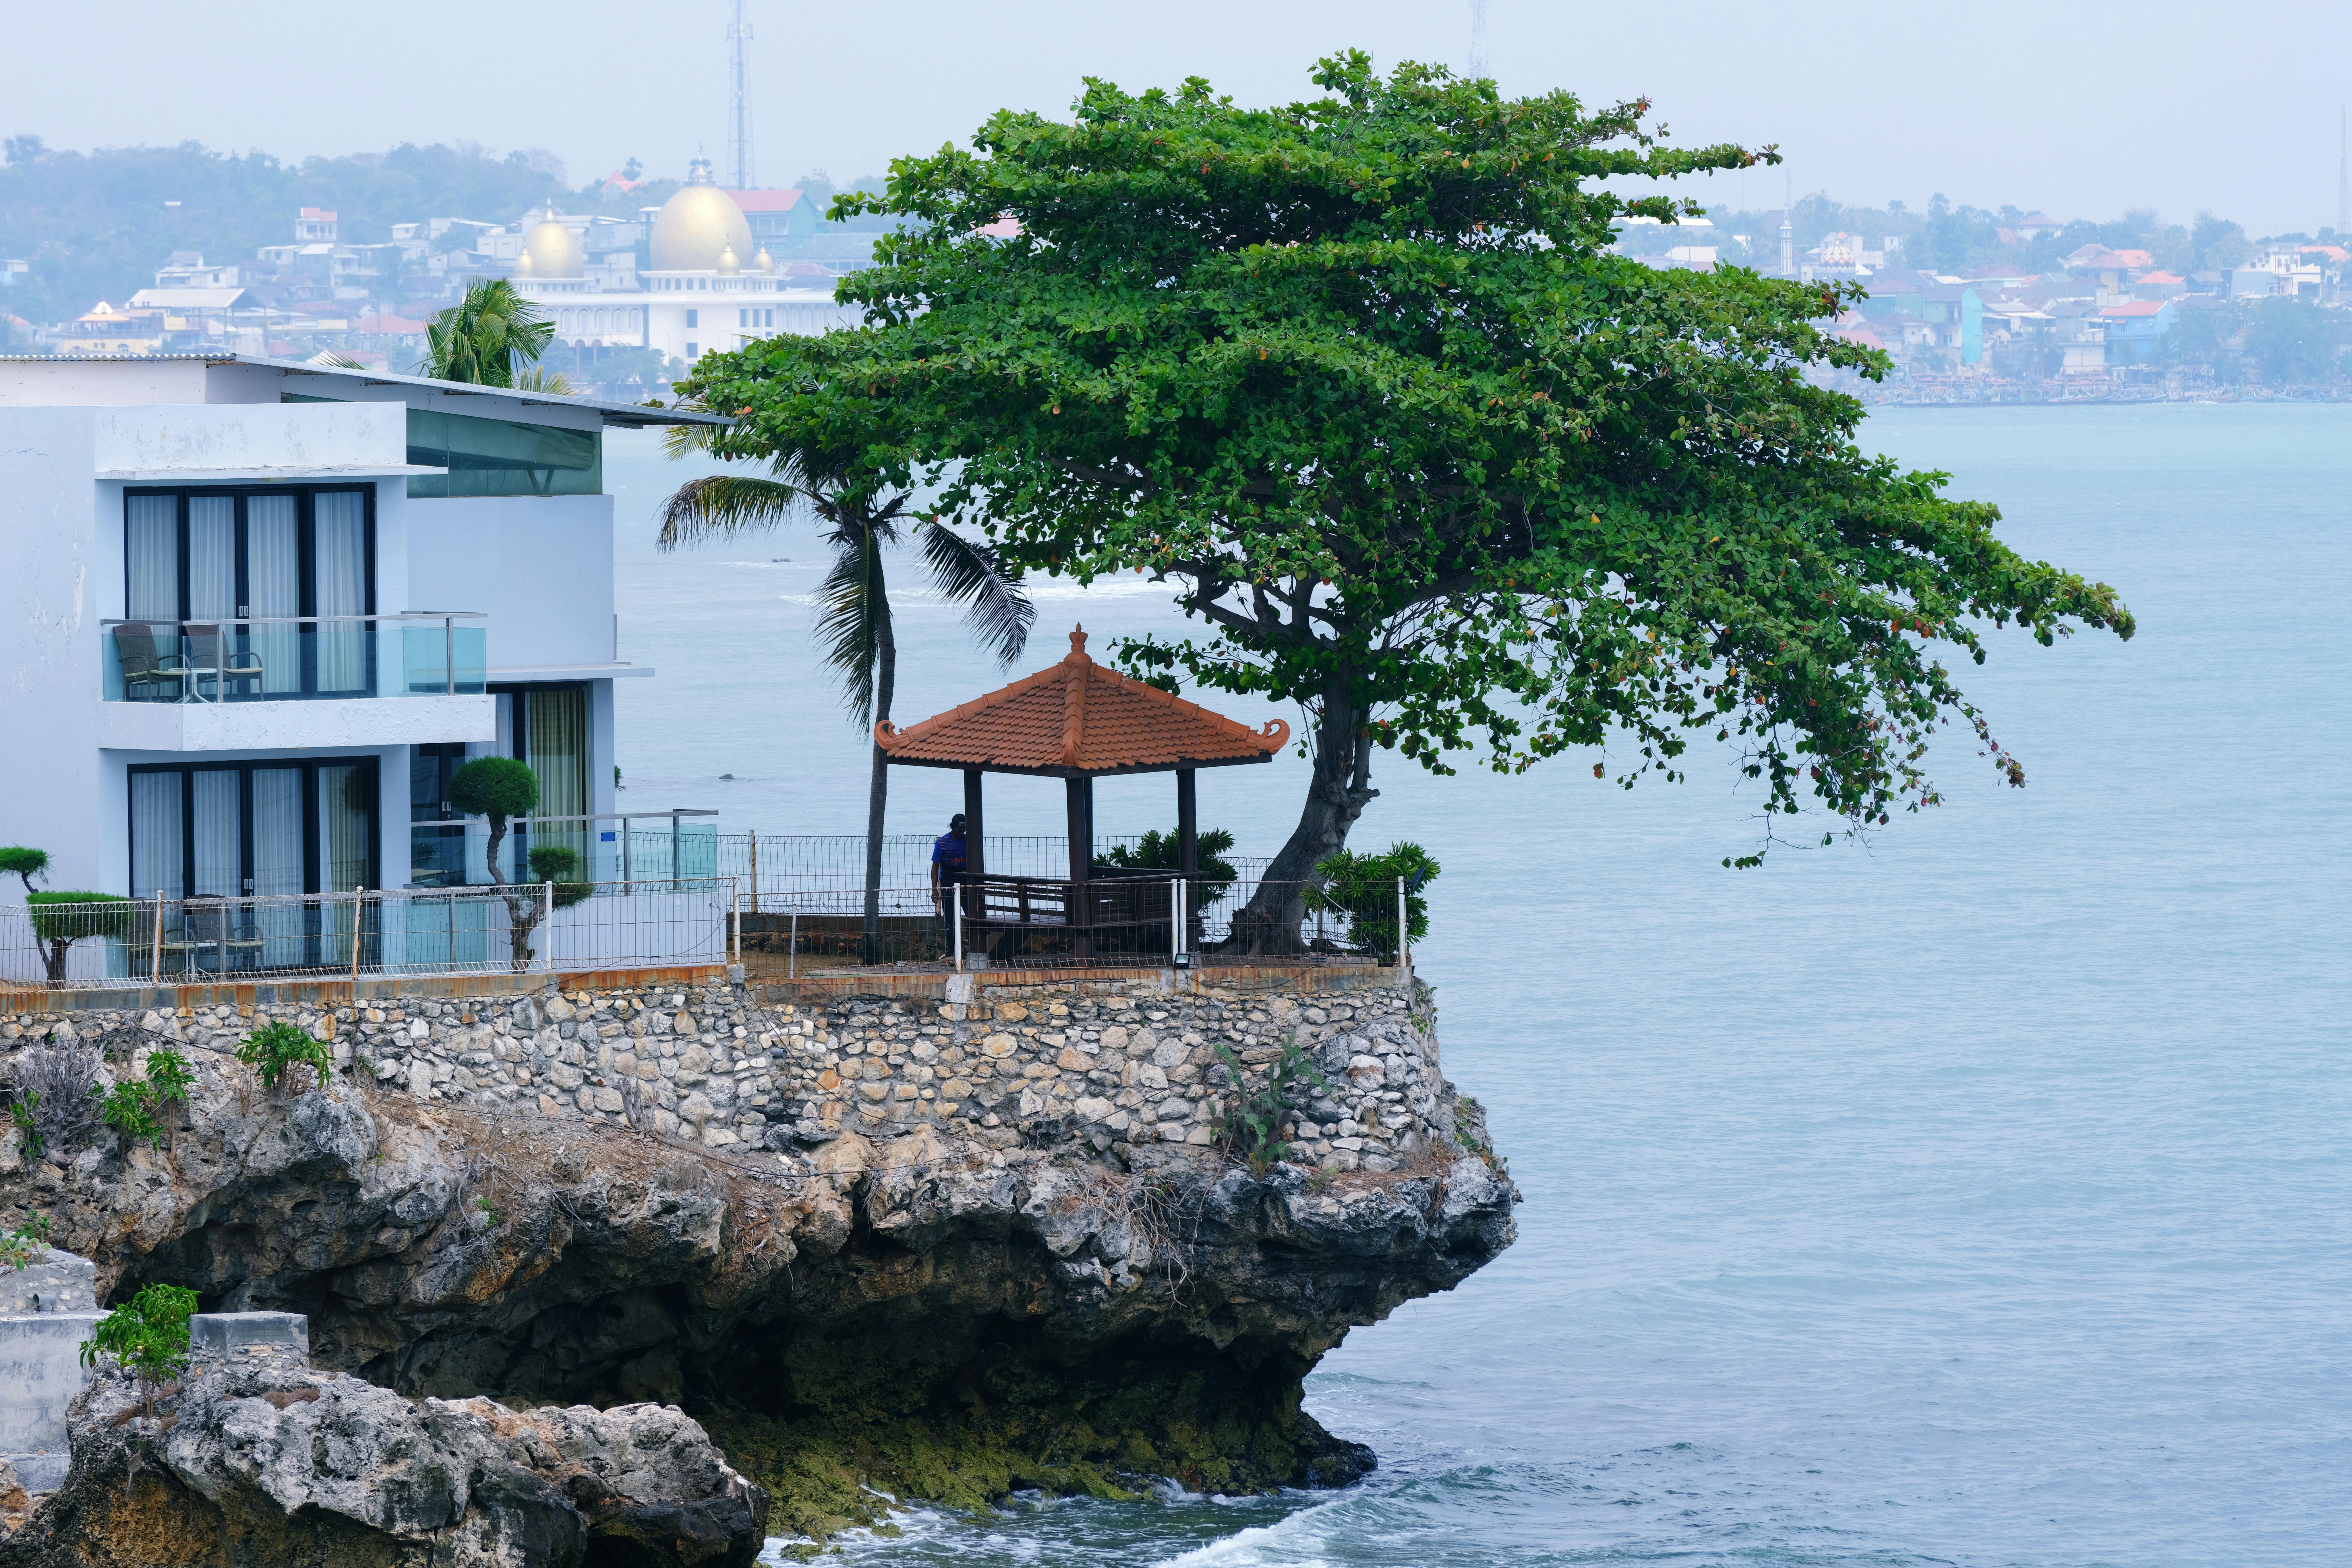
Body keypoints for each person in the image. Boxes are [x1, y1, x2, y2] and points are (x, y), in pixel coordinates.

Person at [931, 813, 968, 914]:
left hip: (967, 882)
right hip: (948, 882)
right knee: (950, 916)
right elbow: (935, 867)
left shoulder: (969, 841)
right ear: (952, 828)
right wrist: (935, 890)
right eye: (959, 830)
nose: (962, 833)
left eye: (964, 831)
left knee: (973, 915)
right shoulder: (942, 843)